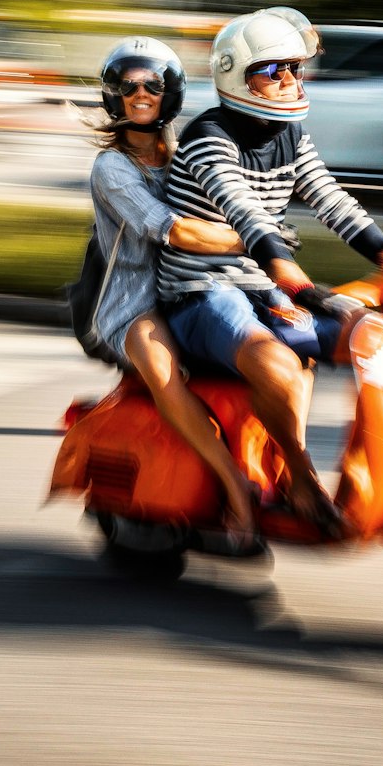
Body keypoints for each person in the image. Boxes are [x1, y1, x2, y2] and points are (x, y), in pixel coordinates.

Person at [158, 7, 383, 536]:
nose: (289, 80)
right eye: (272, 71)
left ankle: (367, 474)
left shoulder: (291, 132)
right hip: (201, 291)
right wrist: (286, 272)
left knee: (376, 339)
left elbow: (330, 198)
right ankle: (299, 477)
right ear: (234, 74)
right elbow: (242, 208)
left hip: (260, 286)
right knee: (277, 365)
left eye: (294, 68)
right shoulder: (209, 135)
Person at [89, 36, 258, 552]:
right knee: (164, 372)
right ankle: (236, 489)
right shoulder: (112, 168)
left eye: (153, 84)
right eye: (128, 85)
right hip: (135, 305)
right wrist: (257, 236)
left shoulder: (186, 149)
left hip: (194, 289)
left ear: (173, 92)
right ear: (113, 95)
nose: (140, 93)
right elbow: (171, 230)